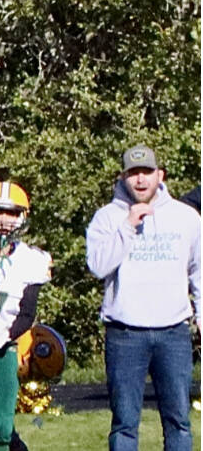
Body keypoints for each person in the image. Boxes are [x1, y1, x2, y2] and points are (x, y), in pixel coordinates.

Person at [86, 144, 201, 451]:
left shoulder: (186, 217)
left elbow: (199, 273)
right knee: (124, 425)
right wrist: (127, 227)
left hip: (173, 333)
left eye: (147, 172)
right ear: (123, 177)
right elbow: (97, 267)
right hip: (125, 334)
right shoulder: (107, 218)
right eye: (133, 173)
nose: (140, 180)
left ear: (159, 175)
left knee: (178, 421)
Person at [0, 181, 51, 451]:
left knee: (1, 425)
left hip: (4, 346)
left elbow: (27, 312)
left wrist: (2, 336)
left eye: (11, 213)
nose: (4, 220)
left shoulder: (31, 260)